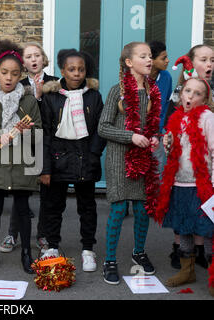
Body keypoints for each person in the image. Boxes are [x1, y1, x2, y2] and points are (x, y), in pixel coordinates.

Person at [0, 39, 42, 274]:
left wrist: (26, 132)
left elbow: (39, 132)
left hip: (22, 163)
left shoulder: (29, 101)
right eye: (4, 73)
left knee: (23, 210)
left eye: (14, 73)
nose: (9, 78)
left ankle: (26, 253)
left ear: (20, 74)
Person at [98, 42, 161, 285]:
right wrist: (131, 136)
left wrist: (154, 138)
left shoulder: (153, 91)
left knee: (143, 209)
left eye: (150, 56)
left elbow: (153, 124)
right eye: (143, 56)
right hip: (118, 159)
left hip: (143, 158)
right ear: (128, 62)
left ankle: (139, 252)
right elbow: (103, 127)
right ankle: (110, 260)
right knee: (117, 208)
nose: (149, 60)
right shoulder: (118, 91)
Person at [39, 49, 105, 273]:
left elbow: (99, 129)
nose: (77, 74)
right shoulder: (51, 97)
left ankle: (88, 249)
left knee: (87, 207)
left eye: (81, 69)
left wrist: (94, 156)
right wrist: (45, 168)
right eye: (71, 69)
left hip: (85, 159)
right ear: (62, 71)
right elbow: (46, 133)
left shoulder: (94, 96)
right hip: (58, 160)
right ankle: (53, 246)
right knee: (53, 205)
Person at [155, 77, 214, 297]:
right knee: (183, 227)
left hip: (202, 185)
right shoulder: (177, 117)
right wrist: (167, 145)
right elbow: (174, 154)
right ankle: (187, 271)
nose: (190, 96)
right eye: (187, 90)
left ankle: (212, 275)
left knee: (208, 230)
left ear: (205, 98)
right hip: (179, 182)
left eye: (197, 93)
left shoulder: (208, 118)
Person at [0, 42, 58, 254]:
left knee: (47, 194)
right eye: (28, 56)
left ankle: (42, 235)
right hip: (24, 142)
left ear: (43, 58)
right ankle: (13, 233)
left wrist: (42, 98)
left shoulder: (56, 83)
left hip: (48, 143)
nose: (33, 59)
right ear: (22, 62)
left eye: (37, 55)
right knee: (20, 191)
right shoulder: (17, 83)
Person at [164, 45, 214, 270]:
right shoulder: (181, 89)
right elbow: (172, 121)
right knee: (183, 210)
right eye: (204, 59)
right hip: (183, 170)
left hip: (204, 168)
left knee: (204, 212)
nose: (210, 64)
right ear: (192, 63)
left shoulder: (208, 109)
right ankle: (182, 252)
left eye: (212, 60)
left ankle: (202, 251)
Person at [148, 41, 172, 174]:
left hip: (158, 133)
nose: (167, 61)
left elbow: (166, 105)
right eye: (163, 58)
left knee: (157, 173)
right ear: (151, 60)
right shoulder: (139, 78)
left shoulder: (166, 77)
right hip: (139, 134)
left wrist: (163, 130)